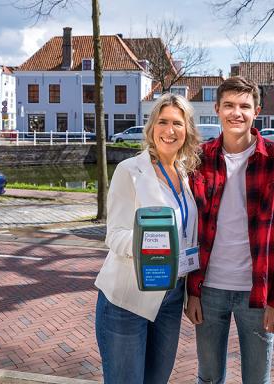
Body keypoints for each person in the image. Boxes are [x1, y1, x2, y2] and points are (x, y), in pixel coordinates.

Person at [185, 76, 274, 384]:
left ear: (256, 111)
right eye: (229, 105)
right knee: (208, 378)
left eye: (244, 106)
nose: (236, 113)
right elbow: (192, 227)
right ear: (217, 109)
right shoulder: (201, 158)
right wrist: (192, 292)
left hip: (257, 293)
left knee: (256, 380)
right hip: (209, 290)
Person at [94, 93, 201, 384]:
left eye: (177, 123)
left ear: (187, 130)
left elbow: (188, 237)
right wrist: (152, 246)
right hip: (127, 299)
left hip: (172, 297)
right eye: (163, 122)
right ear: (152, 127)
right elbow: (114, 236)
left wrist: (191, 293)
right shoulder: (129, 171)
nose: (170, 130)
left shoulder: (185, 173)